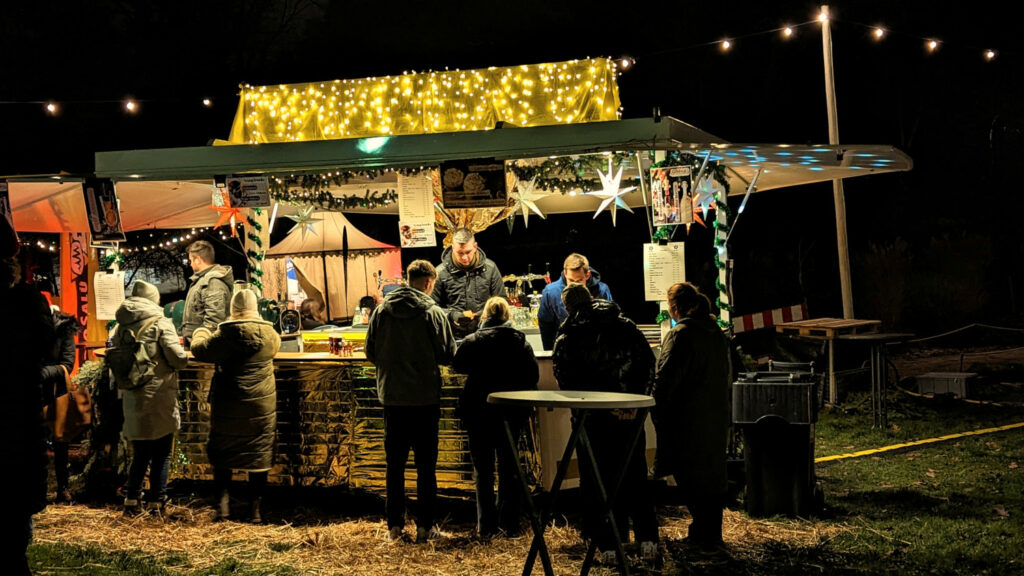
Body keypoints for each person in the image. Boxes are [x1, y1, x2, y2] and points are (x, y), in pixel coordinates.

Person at [551, 284, 659, 563]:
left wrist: (589, 408)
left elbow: (565, 379)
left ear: (567, 307)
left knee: (597, 481)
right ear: (593, 299)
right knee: (636, 475)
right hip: (630, 414)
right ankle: (648, 542)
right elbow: (648, 364)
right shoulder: (625, 325)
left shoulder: (568, 335)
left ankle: (609, 546)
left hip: (592, 420)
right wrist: (636, 402)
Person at [365, 260, 456, 543]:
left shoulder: (382, 311)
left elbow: (370, 351)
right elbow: (447, 353)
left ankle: (394, 526)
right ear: (429, 282)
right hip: (425, 398)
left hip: (392, 398)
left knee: (395, 465)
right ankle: (425, 527)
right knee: (426, 466)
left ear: (408, 278)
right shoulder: (433, 312)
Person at [190, 289, 281, 523]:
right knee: (258, 452)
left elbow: (199, 349)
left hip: (228, 404)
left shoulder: (225, 335)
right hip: (261, 405)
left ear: (232, 309)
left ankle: (223, 508)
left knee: (224, 450)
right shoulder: (271, 335)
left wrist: (200, 331)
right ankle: (256, 511)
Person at [652, 282, 732, 548]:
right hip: (716, 415)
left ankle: (703, 536)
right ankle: (710, 533)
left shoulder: (681, 335)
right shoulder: (715, 332)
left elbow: (664, 381)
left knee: (691, 478)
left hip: (688, 419)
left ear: (674, 307)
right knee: (711, 477)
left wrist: (657, 410)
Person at [452, 296, 539, 538]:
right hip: (512, 411)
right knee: (509, 468)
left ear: (484, 316)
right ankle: (509, 523)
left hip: (478, 411)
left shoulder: (472, 341)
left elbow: (457, 364)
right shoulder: (520, 342)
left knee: (483, 470)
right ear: (507, 316)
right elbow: (532, 374)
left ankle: (486, 525)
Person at [0, 216, 54, 575]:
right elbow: (44, 347)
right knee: (13, 540)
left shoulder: (24, 304)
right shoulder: (26, 304)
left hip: (17, 429)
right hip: (16, 432)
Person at [113, 280, 189, 515]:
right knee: (162, 452)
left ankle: (132, 502)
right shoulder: (160, 323)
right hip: (158, 395)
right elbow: (177, 357)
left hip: (133, 396)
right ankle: (157, 502)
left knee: (141, 452)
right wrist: (184, 356)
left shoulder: (120, 326)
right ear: (154, 299)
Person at [41, 301, 83, 503]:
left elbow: (67, 363)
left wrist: (41, 373)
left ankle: (62, 488)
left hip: (55, 391)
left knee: (60, 440)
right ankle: (39, 488)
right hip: (32, 389)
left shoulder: (63, 327)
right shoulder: (27, 326)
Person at [432, 227, 503, 338]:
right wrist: (451, 315)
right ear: (452, 248)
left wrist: (483, 314)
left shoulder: (490, 268)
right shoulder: (440, 273)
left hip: (485, 334)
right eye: (459, 253)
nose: (464, 257)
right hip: (453, 337)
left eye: (468, 252)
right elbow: (431, 307)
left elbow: (501, 301)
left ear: (475, 246)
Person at [537, 253, 613, 351]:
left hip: (596, 350)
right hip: (566, 349)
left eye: (579, 281)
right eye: (571, 280)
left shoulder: (602, 290)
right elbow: (546, 324)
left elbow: (611, 322)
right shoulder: (551, 292)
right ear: (565, 273)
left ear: (587, 275)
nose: (574, 285)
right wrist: (551, 353)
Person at [181, 240, 234, 344]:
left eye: (191, 260)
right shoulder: (202, 281)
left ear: (198, 260)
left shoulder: (213, 283)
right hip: (197, 344)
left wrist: (202, 344)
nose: (190, 264)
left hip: (203, 347)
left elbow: (214, 321)